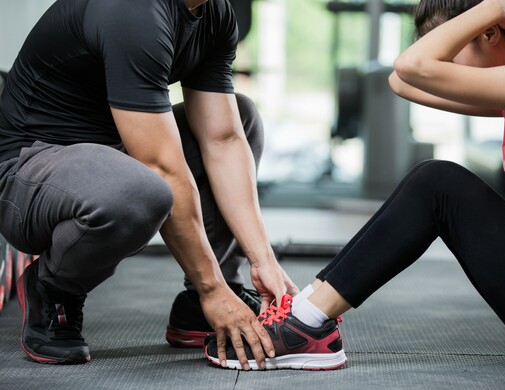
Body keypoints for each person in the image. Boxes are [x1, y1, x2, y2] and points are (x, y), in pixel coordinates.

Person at [205, 0, 505, 375]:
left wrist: (496, 8)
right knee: (435, 181)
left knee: (438, 183)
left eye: (452, 52)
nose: (446, 66)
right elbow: (402, 81)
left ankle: (307, 321)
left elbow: (411, 67)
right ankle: (306, 310)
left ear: (488, 32)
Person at [0, 0, 298, 368]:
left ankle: (207, 304)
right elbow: (160, 167)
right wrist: (211, 289)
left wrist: (263, 260)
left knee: (242, 117)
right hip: (26, 172)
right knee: (139, 190)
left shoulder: (215, 14)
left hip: (113, 155)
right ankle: (53, 288)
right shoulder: (133, 9)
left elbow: (222, 140)